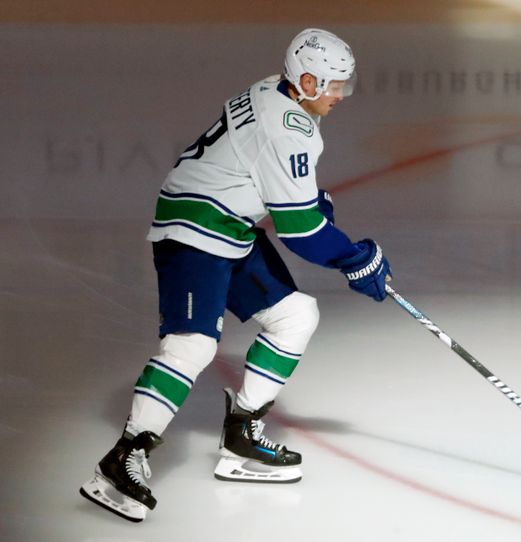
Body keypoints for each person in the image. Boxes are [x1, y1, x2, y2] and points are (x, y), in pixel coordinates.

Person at [79, 28, 391, 523]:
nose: (339, 96)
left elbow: (269, 180)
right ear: (307, 80)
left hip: (228, 224)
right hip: (193, 227)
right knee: (192, 345)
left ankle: (241, 431)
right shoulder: (290, 127)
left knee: (295, 315)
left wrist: (310, 203)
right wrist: (356, 259)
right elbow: (300, 230)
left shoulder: (276, 89)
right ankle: (122, 459)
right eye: (333, 85)